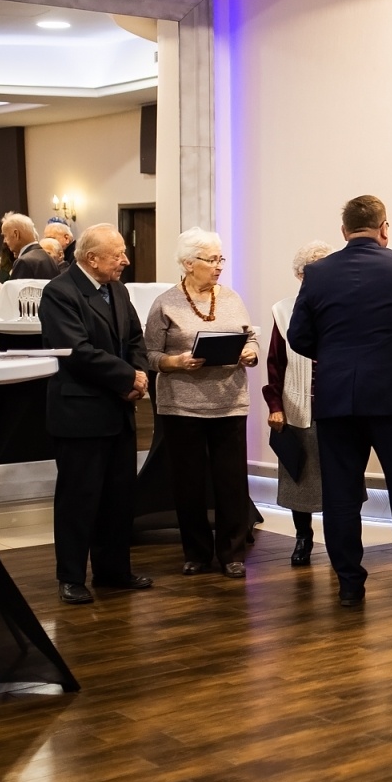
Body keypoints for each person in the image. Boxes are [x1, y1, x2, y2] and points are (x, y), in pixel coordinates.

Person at [288, 196, 392, 607]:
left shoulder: (318, 273)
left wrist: (336, 353)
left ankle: (349, 585)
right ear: (384, 228)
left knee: (341, 495)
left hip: (337, 399)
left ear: (344, 231)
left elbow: (298, 336)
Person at [38, 223, 153, 605]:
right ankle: (71, 576)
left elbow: (135, 339)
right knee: (78, 499)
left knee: (118, 496)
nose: (126, 259)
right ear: (92, 259)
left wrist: (138, 374)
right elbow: (76, 350)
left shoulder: (117, 290)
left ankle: (113, 570)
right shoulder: (60, 292)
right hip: (80, 412)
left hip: (117, 409)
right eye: (117, 253)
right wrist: (127, 377)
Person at [144, 228, 261, 579]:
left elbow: (250, 336)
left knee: (231, 481)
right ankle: (195, 553)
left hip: (228, 402)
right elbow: (149, 353)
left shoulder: (231, 298)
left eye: (220, 259)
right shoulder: (165, 302)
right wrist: (176, 362)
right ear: (187, 263)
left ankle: (232, 553)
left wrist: (250, 354)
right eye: (211, 260)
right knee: (189, 482)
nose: (218, 266)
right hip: (182, 405)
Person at [263, 240, 333, 567]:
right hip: (298, 406)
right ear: (300, 275)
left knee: (338, 480)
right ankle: (303, 537)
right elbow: (275, 363)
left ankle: (339, 540)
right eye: (312, 270)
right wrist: (275, 405)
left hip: (337, 409)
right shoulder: (283, 310)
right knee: (298, 479)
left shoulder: (343, 305)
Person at [2, 212, 58, 280]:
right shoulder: (48, 258)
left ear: (16, 234)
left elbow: (16, 290)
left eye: (5, 236)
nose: (4, 241)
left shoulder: (23, 262)